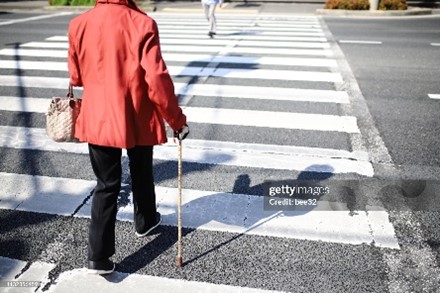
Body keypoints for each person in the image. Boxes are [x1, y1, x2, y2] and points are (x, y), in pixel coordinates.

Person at [67, 0, 189, 275]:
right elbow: (157, 80)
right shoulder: (142, 23)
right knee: (142, 169)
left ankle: (98, 257)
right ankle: (145, 221)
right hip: (137, 112)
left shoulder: (78, 24)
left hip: (99, 113)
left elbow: (75, 77)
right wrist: (176, 121)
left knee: (106, 184)